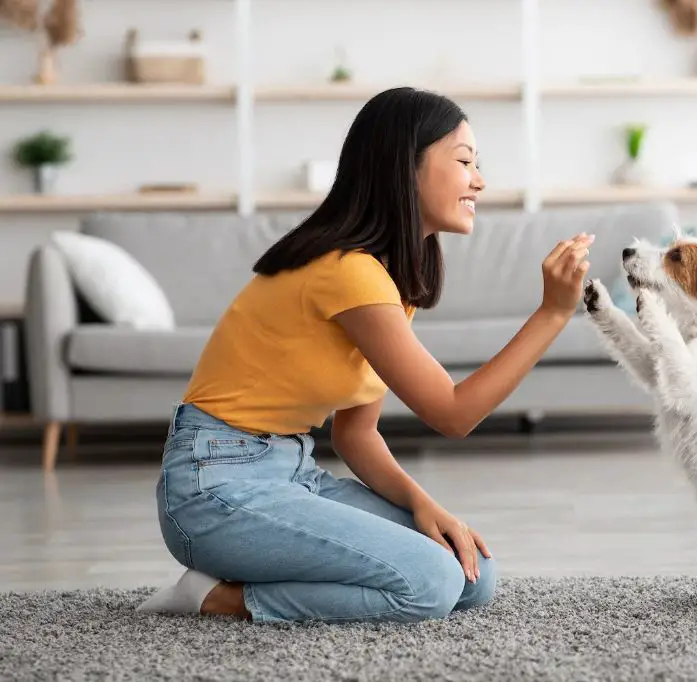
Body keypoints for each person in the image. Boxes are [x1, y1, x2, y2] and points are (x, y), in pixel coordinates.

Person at [137, 86, 594, 625]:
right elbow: (452, 413)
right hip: (213, 484)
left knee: (473, 576)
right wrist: (553, 315)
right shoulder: (346, 270)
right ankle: (214, 597)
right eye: (465, 161)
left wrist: (423, 504)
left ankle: (262, 572)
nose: (480, 180)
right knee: (431, 582)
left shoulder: (386, 280)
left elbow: (356, 433)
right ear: (406, 167)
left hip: (290, 472)